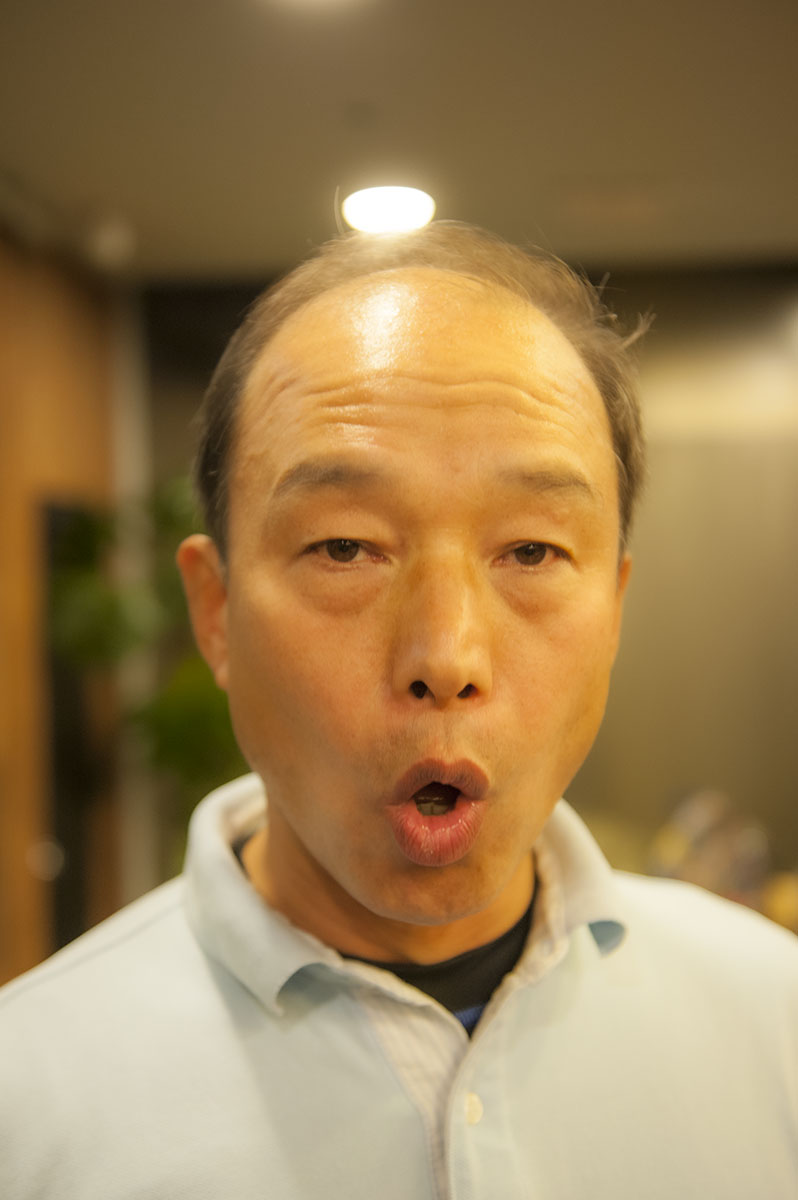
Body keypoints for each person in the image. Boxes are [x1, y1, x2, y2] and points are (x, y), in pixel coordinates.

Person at [1, 222, 796, 1199]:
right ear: (214, 612)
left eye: (533, 551)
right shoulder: (29, 1103)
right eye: (344, 548)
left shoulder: (774, 1026)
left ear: (616, 609)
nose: (447, 658)